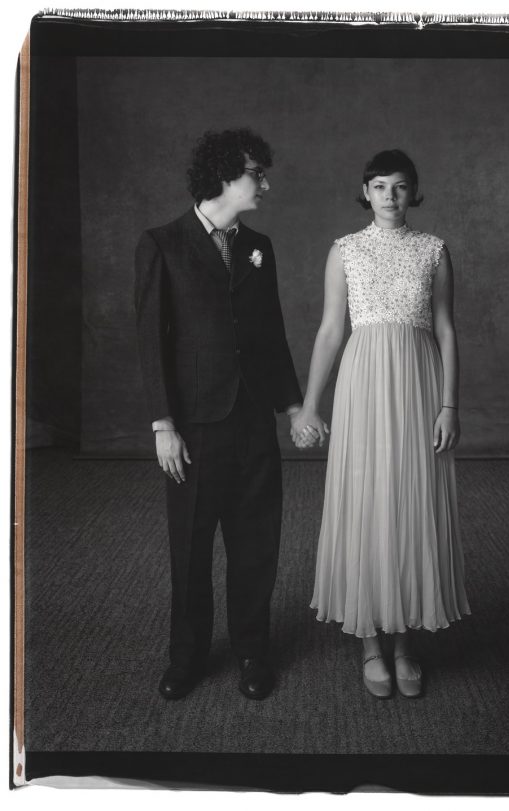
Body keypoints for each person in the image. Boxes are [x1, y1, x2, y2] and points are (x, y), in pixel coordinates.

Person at [291, 149, 470, 698]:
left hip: (418, 386)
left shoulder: (433, 251)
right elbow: (329, 332)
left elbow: (444, 330)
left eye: (399, 186)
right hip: (364, 383)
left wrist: (449, 405)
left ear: (413, 192)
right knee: (368, 499)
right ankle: (370, 642)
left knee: (411, 500)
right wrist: (310, 404)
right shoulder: (344, 251)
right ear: (364, 192)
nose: (389, 196)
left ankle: (405, 644)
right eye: (378, 186)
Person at [134, 128, 302, 701]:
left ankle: (253, 650)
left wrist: (294, 404)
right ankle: (187, 657)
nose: (266, 183)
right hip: (194, 426)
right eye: (258, 173)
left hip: (255, 421)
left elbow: (271, 335)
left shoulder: (261, 246)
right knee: (191, 547)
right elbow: (150, 342)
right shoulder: (162, 243)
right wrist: (163, 424)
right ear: (225, 176)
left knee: (256, 543)